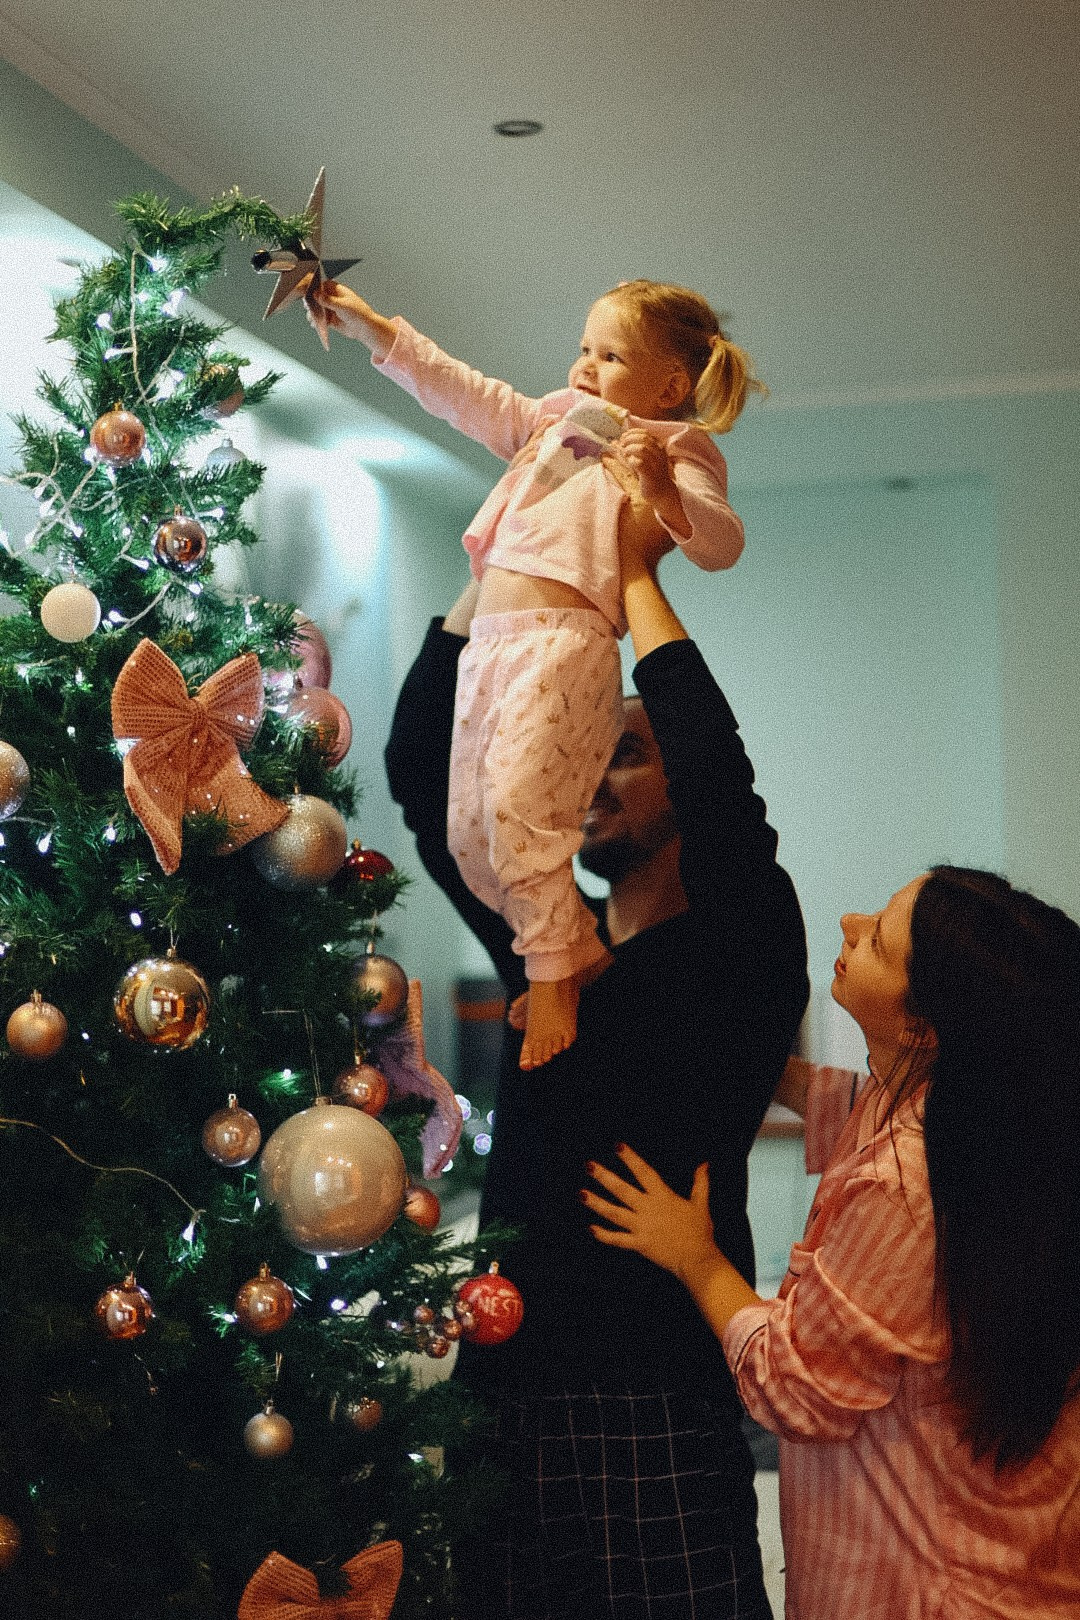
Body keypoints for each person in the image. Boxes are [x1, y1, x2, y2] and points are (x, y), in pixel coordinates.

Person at [384, 507, 809, 1618]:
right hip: (501, 1388)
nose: (588, 779)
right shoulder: (547, 948)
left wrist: (631, 583)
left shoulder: (739, 948)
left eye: (623, 753)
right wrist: (496, 563)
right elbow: (422, 772)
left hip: (650, 1399)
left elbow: (721, 784)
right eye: (581, 756)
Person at [583, 866, 1080, 1618]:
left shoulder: (906, 1186)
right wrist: (746, 1057)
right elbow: (854, 1104)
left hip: (935, 1589)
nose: (850, 923)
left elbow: (793, 1387)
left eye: (878, 941)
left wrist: (696, 1256)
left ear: (922, 1027)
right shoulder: (978, 1113)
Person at [311, 273, 761, 1068]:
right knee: (471, 834)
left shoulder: (671, 447)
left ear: (669, 386)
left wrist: (663, 493)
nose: (585, 365)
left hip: (563, 643)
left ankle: (552, 970)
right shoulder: (559, 419)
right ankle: (570, 948)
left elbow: (722, 542)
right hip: (489, 645)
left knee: (523, 808)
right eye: (584, 347)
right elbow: (466, 392)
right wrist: (377, 330)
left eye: (610, 355)